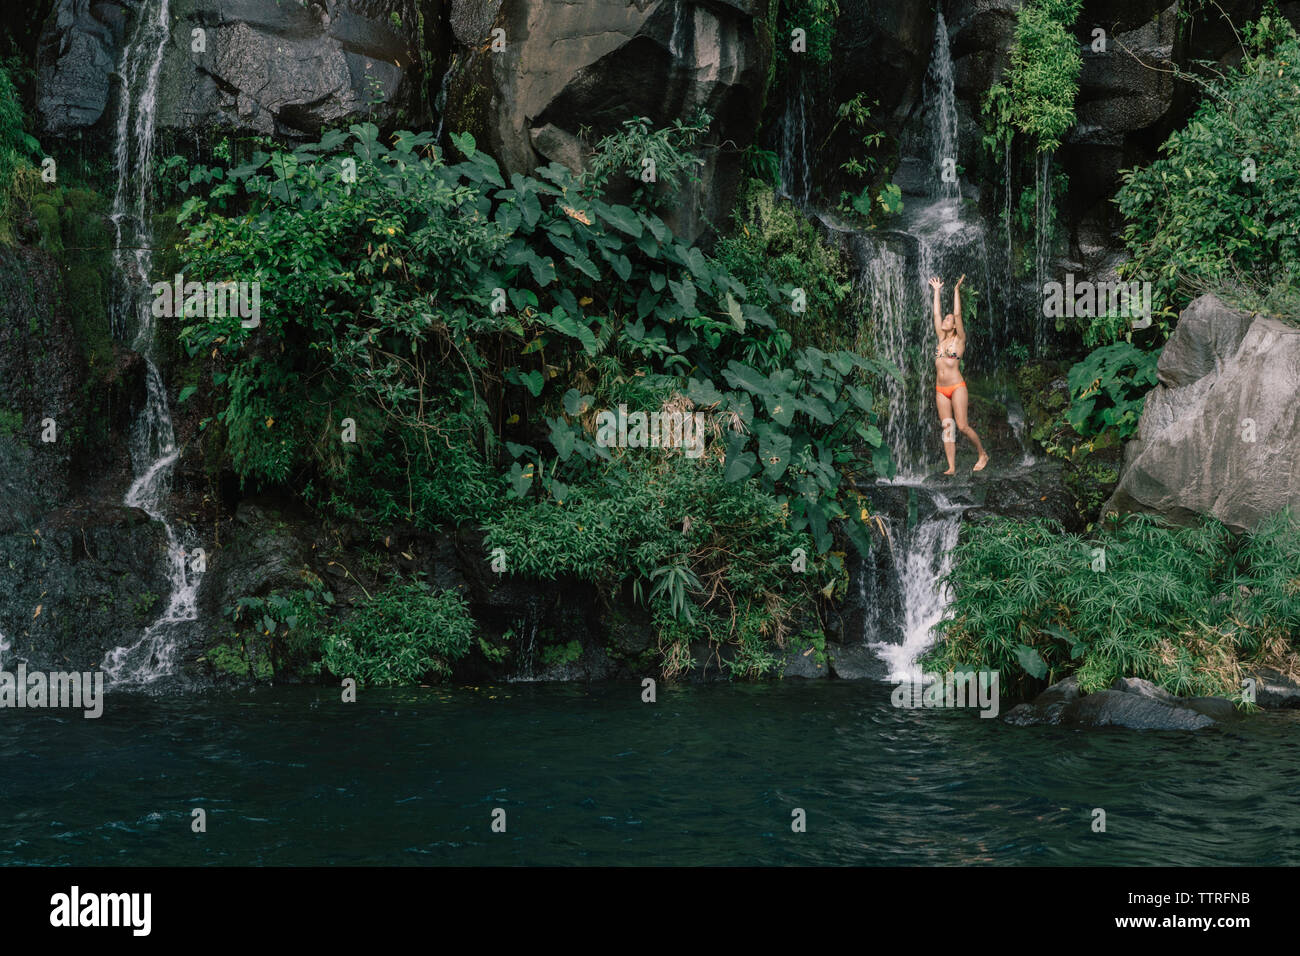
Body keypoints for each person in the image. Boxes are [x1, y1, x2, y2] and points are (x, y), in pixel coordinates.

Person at [928, 275, 988, 474]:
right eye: (945, 318)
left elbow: (958, 314)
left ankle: (982, 454)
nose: (945, 319)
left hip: (956, 387)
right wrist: (936, 291)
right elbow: (936, 315)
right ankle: (951, 466)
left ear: (954, 326)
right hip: (940, 389)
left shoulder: (959, 340)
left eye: (948, 319)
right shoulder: (940, 339)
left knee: (961, 425)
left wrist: (955, 290)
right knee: (947, 426)